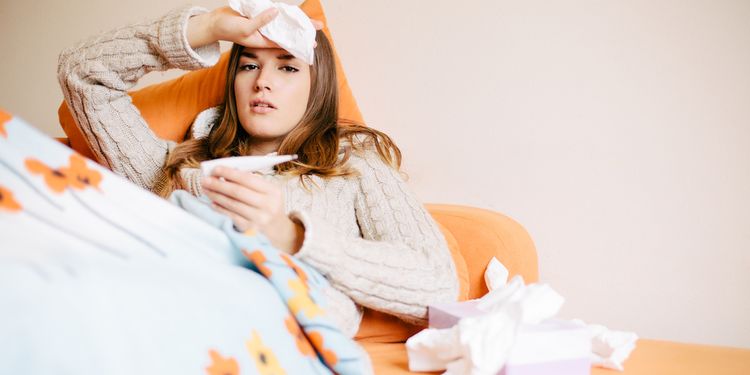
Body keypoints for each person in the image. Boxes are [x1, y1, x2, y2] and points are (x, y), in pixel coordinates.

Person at [58, 5, 458, 337]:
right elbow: (84, 74)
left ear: (317, 87)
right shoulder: (173, 166)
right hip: (160, 323)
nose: (262, 82)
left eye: (287, 68)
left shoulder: (351, 167)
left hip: (269, 343)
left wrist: (294, 236)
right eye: (249, 66)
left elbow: (438, 286)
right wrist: (210, 27)